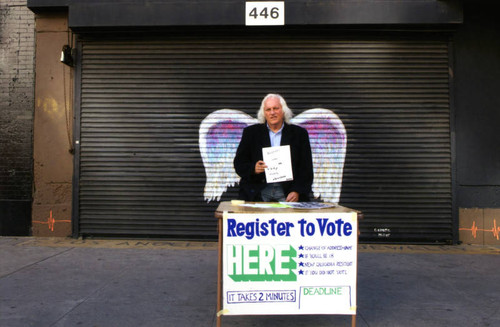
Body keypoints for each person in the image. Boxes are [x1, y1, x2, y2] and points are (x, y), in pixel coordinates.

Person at [233, 94, 313, 202]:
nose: (272, 113)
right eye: (268, 109)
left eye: (276, 108)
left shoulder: (299, 134)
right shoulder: (251, 133)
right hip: (258, 190)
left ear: (283, 110)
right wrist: (253, 169)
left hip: (288, 192)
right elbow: (239, 163)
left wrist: (297, 190)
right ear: (264, 113)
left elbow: (306, 168)